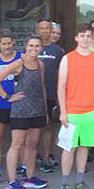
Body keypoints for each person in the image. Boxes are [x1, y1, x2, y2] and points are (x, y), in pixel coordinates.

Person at [0, 36, 50, 189]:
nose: (34, 49)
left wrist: (44, 109)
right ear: (26, 47)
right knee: (17, 144)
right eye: (31, 45)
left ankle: (30, 178)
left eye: (37, 46)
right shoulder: (19, 63)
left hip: (37, 110)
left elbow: (42, 86)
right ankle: (12, 182)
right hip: (20, 110)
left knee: (32, 144)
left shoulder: (40, 64)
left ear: (41, 48)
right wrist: (7, 97)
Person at [55, 24, 94, 189]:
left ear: (92, 38)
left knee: (84, 147)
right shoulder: (68, 59)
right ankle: (64, 184)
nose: (85, 39)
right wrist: (63, 111)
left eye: (88, 36)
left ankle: (79, 181)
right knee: (69, 148)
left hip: (91, 111)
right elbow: (61, 86)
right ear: (76, 38)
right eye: (82, 35)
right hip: (72, 111)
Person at [0, 29, 23, 185]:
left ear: (13, 42)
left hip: (19, 105)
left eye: (9, 43)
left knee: (20, 140)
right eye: (3, 43)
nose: (7, 46)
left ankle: (22, 167)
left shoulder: (21, 57)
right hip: (0, 105)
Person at [37, 19, 66, 174]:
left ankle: (47, 157)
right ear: (37, 30)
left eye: (47, 28)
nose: (45, 31)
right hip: (33, 96)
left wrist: (60, 98)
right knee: (33, 129)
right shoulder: (32, 47)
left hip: (51, 94)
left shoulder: (58, 51)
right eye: (41, 28)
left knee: (49, 127)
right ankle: (31, 158)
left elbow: (61, 75)